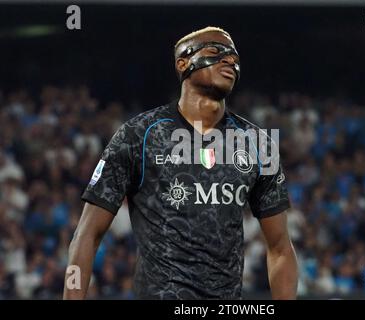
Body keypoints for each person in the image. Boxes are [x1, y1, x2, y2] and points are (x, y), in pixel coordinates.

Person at [63, 26, 298, 300]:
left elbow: (281, 247)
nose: (229, 61)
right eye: (215, 52)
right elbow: (87, 234)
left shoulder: (257, 143)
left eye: (234, 58)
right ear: (183, 63)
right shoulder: (139, 136)